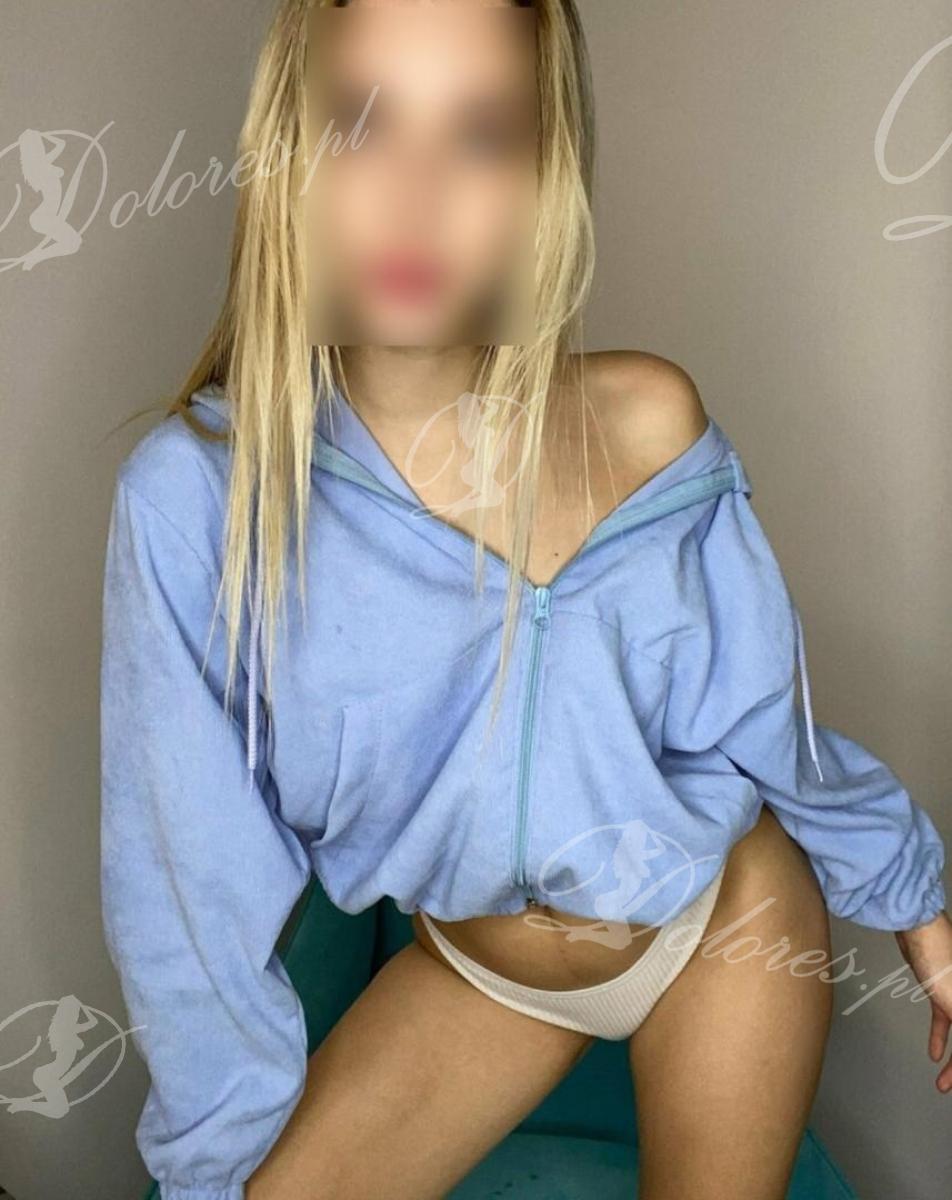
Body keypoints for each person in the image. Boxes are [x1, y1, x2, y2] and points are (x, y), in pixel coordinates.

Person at [99, 2, 952, 1199]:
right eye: (362, 124)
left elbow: (767, 721)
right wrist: (206, 1167)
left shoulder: (648, 423)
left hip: (724, 917)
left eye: (481, 135)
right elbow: (187, 891)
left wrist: (913, 896)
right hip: (485, 972)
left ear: (542, 179)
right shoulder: (201, 497)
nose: (416, 197)